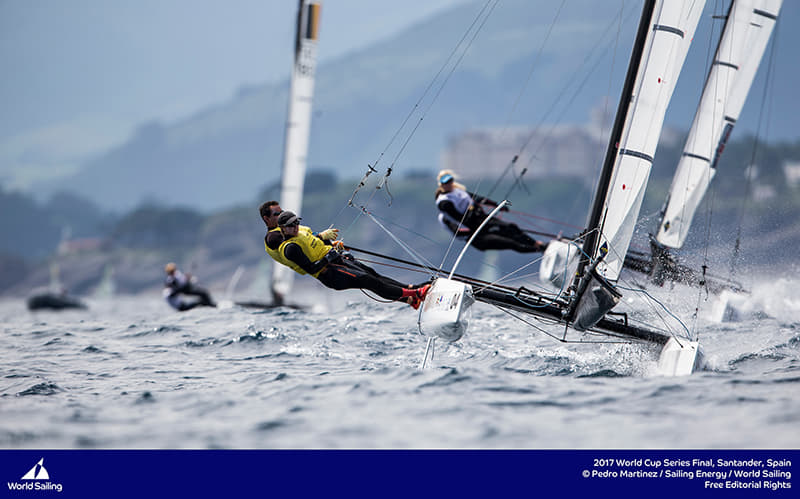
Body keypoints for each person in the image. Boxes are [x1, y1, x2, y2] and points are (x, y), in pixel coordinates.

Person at [269, 211, 430, 309]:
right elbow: (311, 269)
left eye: (296, 222)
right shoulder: (291, 248)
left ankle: (411, 296)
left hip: (338, 260)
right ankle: (416, 294)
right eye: (290, 225)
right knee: (369, 281)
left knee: (373, 274)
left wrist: (334, 246)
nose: (295, 227)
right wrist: (328, 258)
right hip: (331, 274)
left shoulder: (302, 232)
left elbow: (319, 243)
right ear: (283, 229)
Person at [434, 170, 546, 253]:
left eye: (450, 181)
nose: (449, 184)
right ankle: (539, 249)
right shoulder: (444, 204)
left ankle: (538, 244)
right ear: (441, 185)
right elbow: (462, 223)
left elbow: (478, 198)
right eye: (446, 182)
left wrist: (496, 205)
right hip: (476, 236)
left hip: (482, 221)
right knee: (511, 243)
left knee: (511, 228)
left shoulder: (458, 191)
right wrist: (473, 210)